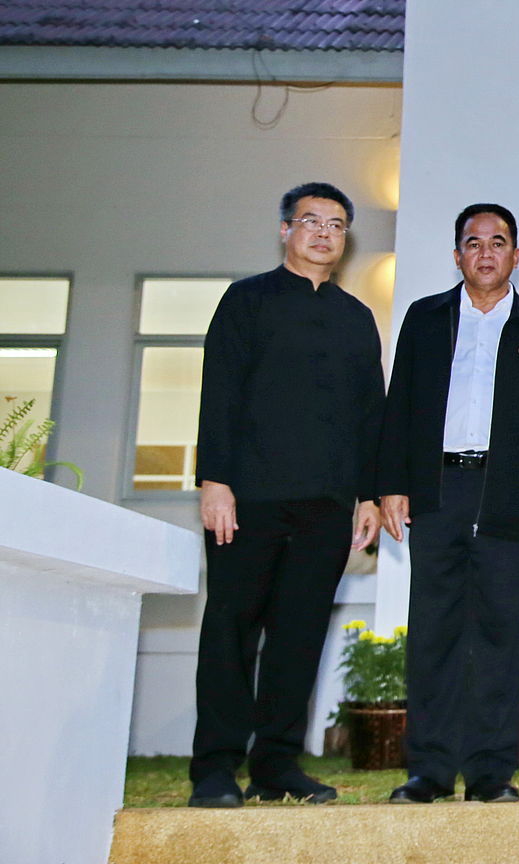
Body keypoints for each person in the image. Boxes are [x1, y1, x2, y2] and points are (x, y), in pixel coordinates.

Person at [188, 182, 384, 808]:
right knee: (231, 632)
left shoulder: (356, 317)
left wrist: (370, 496)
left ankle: (276, 765)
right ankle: (216, 768)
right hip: (249, 501)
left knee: (299, 640)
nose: (324, 233)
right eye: (311, 221)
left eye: (336, 224)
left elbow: (370, 414)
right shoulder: (247, 301)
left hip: (327, 506)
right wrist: (215, 481)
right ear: (285, 230)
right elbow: (218, 391)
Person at [378, 203, 519, 804]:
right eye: (473, 242)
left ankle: (492, 772)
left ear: (516, 256)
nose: (485, 252)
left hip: (509, 498)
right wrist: (391, 484)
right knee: (434, 632)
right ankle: (429, 771)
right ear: (457, 254)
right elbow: (400, 406)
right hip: (437, 491)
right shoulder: (426, 318)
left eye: (498, 242)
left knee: (501, 632)